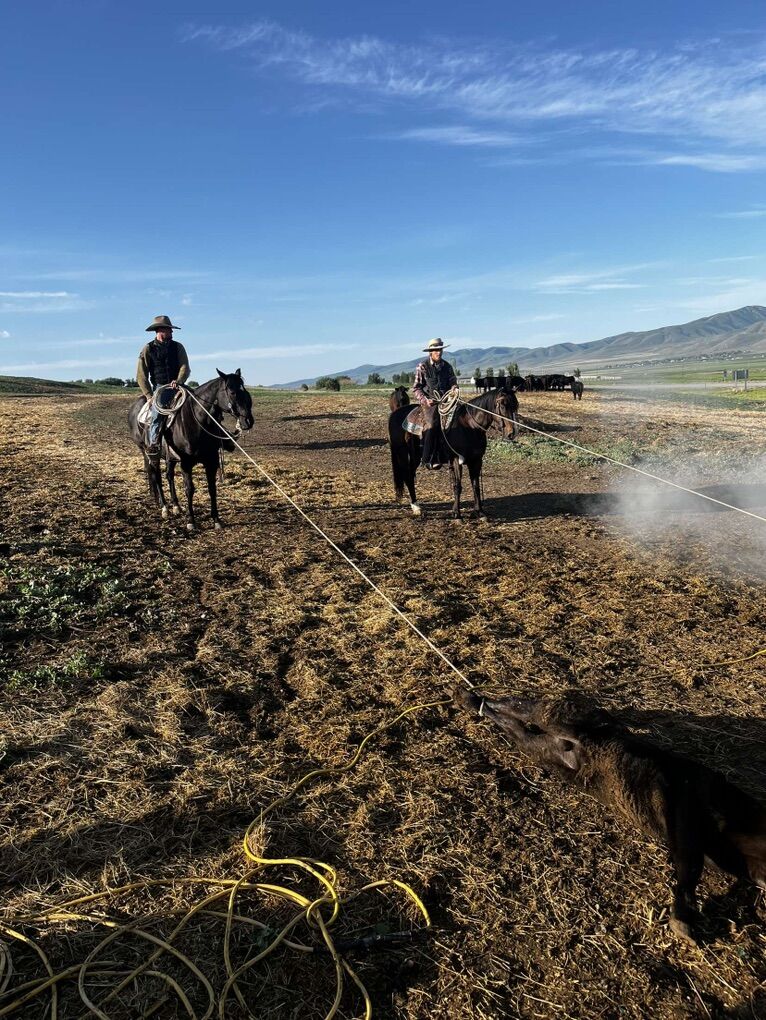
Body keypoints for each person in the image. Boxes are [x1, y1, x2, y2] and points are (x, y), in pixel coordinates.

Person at [136, 315, 191, 458]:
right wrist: (149, 396)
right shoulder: (148, 349)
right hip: (161, 388)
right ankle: (154, 443)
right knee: (157, 413)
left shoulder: (178, 347)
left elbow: (184, 367)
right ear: (160, 330)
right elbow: (141, 375)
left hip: (179, 386)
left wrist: (179, 380)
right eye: (169, 330)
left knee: (200, 403)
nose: (172, 332)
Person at [412, 337, 457, 469]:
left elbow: (453, 382)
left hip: (446, 401)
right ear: (430, 352)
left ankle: (456, 452)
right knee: (432, 424)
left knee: (461, 419)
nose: (439, 352)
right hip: (429, 403)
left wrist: (454, 388)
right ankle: (428, 458)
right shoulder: (422, 366)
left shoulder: (447, 367)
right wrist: (425, 400)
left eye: (440, 350)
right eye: (436, 350)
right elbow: (416, 388)